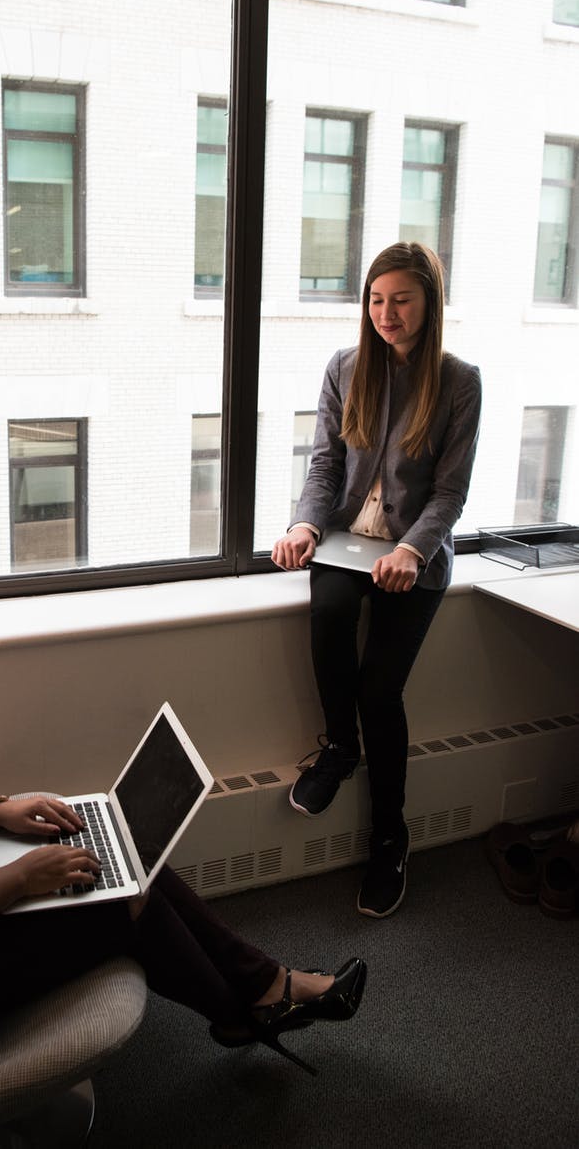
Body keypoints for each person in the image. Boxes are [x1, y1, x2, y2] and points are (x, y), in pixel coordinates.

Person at [0, 524, 366, 1080]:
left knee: (125, 849)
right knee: (121, 895)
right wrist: (21, 879)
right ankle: (254, 1004)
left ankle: (261, 993)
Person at [272, 242, 482, 920]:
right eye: (376, 299)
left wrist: (414, 552)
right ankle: (339, 746)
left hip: (412, 560)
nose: (387, 313)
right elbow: (325, 464)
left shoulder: (459, 381)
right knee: (329, 612)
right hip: (345, 544)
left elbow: (450, 494)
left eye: (402, 299)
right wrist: (305, 526)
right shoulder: (345, 367)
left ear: (429, 304)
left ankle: (390, 839)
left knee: (380, 689)